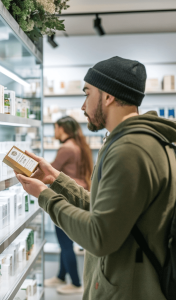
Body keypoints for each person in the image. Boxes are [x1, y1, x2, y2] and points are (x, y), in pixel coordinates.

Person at [16, 56, 176, 300]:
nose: (82, 106)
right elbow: (109, 213)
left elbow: (99, 236)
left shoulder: (130, 149)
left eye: (87, 93)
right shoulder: (141, 141)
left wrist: (45, 196)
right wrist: (56, 180)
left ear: (108, 96)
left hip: (127, 290)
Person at [44, 116, 93, 295]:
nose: (54, 132)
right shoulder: (80, 145)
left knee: (64, 242)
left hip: (66, 197)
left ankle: (75, 282)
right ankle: (61, 275)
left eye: (55, 128)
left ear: (61, 128)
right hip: (80, 194)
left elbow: (51, 170)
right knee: (65, 238)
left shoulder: (66, 148)